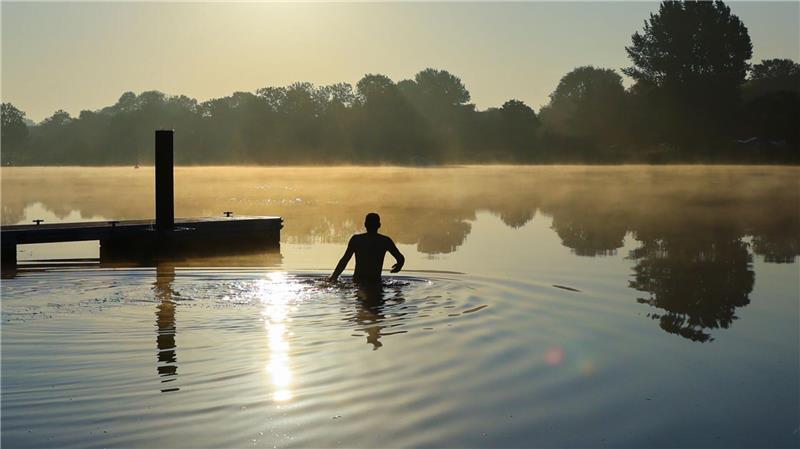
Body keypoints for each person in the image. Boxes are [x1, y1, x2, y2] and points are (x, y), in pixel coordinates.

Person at [328, 213, 405, 284]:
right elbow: (400, 258)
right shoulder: (384, 241)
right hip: (375, 281)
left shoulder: (356, 240)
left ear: (365, 225)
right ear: (379, 225)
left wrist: (333, 277)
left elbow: (344, 260)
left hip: (358, 281)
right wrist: (398, 267)